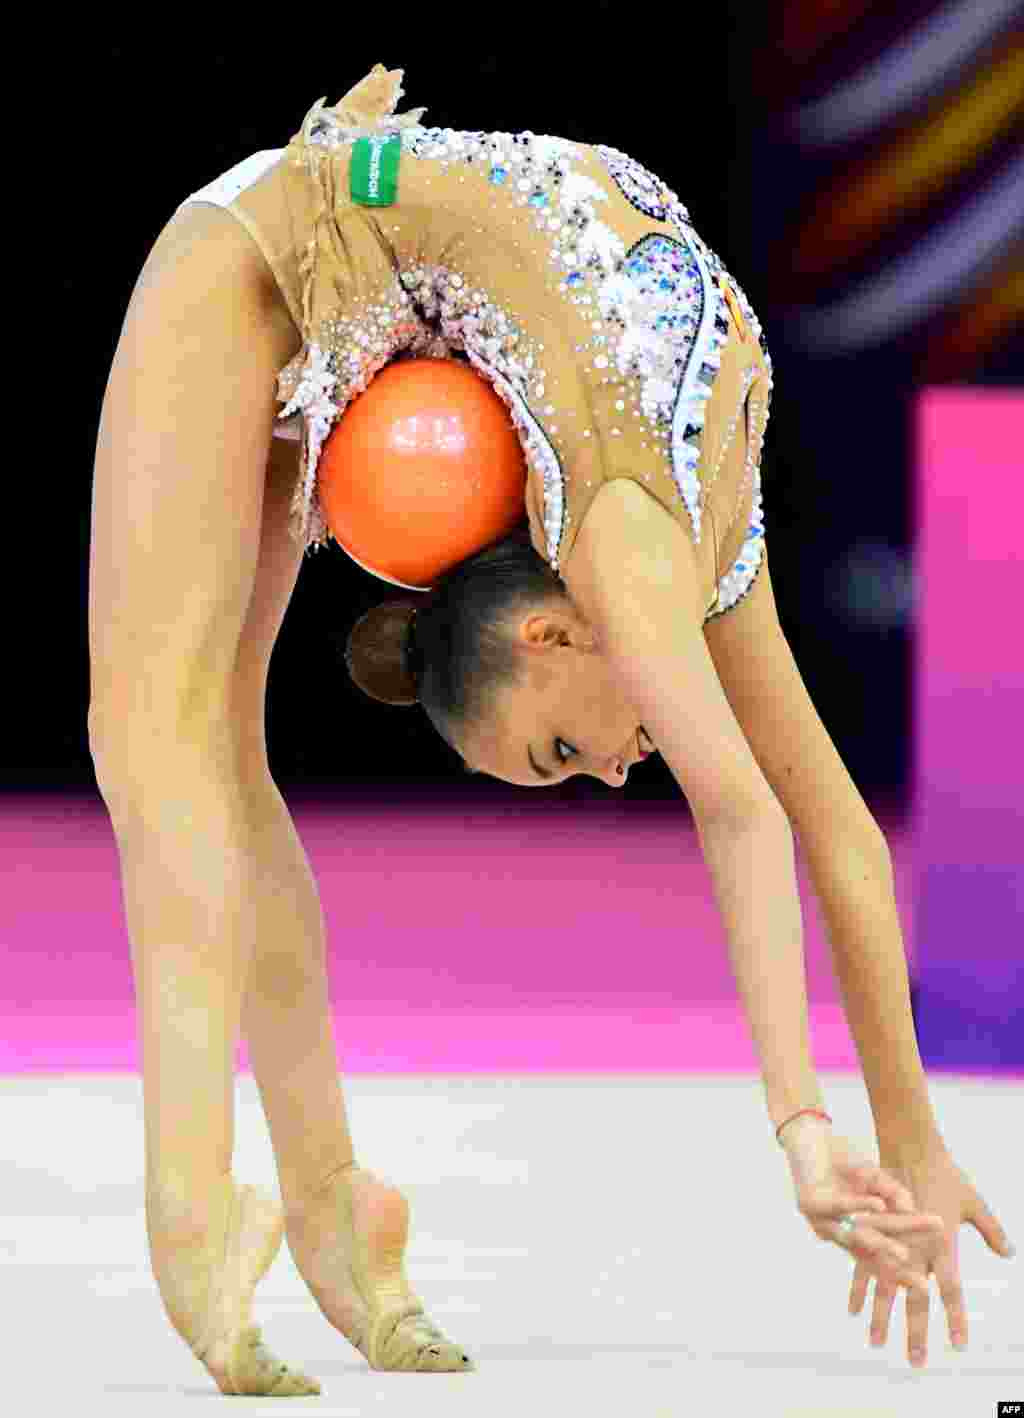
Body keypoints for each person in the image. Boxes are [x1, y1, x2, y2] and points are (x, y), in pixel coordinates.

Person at [88, 64, 1010, 1395]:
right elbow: (747, 811)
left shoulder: (713, 556)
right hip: (257, 242)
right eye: (562, 754)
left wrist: (912, 1139)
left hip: (351, 256)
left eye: (564, 757)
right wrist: (808, 1129)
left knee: (203, 749)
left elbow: (844, 833)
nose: (611, 767)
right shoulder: (632, 548)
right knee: (158, 739)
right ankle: (215, 1199)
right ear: (549, 632)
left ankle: (323, 1200)